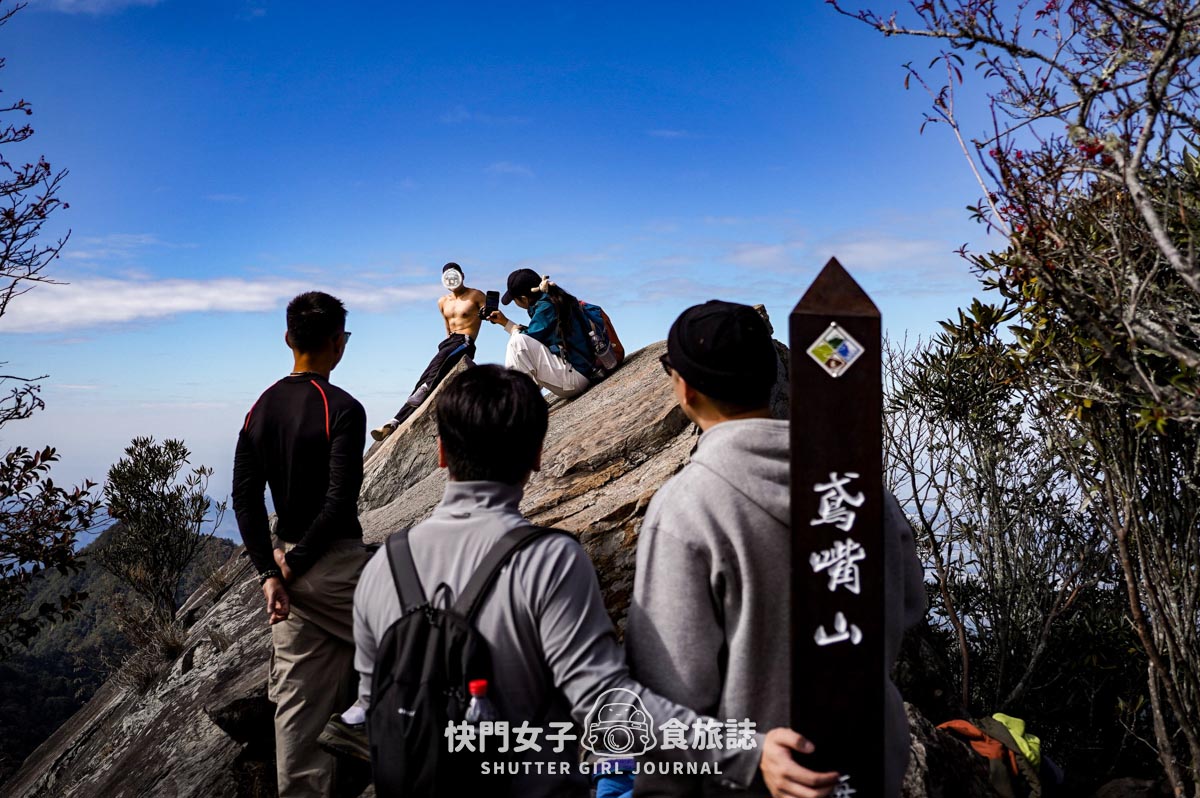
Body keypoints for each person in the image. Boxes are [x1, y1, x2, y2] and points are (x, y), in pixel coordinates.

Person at [350, 364, 842, 798]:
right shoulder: (547, 562)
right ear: (538, 454)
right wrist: (747, 750)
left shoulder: (380, 569)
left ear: (440, 453)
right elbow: (607, 710)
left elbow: (374, 712)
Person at [626, 300, 926, 798]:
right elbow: (910, 604)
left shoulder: (686, 508)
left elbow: (670, 689)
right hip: (869, 762)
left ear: (685, 388)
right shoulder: (860, 486)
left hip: (757, 781)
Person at [232, 291, 370, 798]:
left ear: (289, 339)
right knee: (426, 645)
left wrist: (268, 573)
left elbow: (244, 499)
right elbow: (338, 504)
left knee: (297, 719)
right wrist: (291, 567)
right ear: (338, 343)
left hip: (287, 580)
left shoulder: (259, 408)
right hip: (334, 569)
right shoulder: (343, 408)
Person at [371, 262, 485, 441]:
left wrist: (489, 312)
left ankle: (424, 389)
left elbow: (491, 314)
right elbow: (447, 328)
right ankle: (395, 421)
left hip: (464, 341)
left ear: (462, 275)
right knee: (425, 378)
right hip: (448, 344)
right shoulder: (442, 302)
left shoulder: (476, 295)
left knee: (428, 382)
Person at [485, 268, 595, 399]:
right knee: (519, 340)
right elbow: (537, 338)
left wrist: (512, 329)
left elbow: (526, 340)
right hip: (578, 373)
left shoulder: (546, 307)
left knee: (516, 343)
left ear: (524, 299)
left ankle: (515, 401)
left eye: (514, 300)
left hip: (575, 378)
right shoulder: (552, 300)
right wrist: (505, 322)